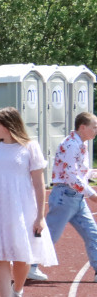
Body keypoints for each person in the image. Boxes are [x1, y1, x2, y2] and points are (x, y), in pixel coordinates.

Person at [0, 108, 57, 297]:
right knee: (1, 256)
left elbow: (39, 184)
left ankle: (17, 291)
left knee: (22, 257)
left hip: (22, 208)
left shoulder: (30, 147)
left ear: (8, 125)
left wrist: (40, 216)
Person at [31, 112, 97, 283]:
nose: (96, 130)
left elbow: (77, 171)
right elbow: (69, 175)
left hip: (75, 197)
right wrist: (92, 195)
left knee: (92, 233)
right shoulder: (71, 145)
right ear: (83, 127)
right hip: (65, 197)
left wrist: (92, 173)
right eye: (94, 126)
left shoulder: (80, 144)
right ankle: (30, 267)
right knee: (50, 234)